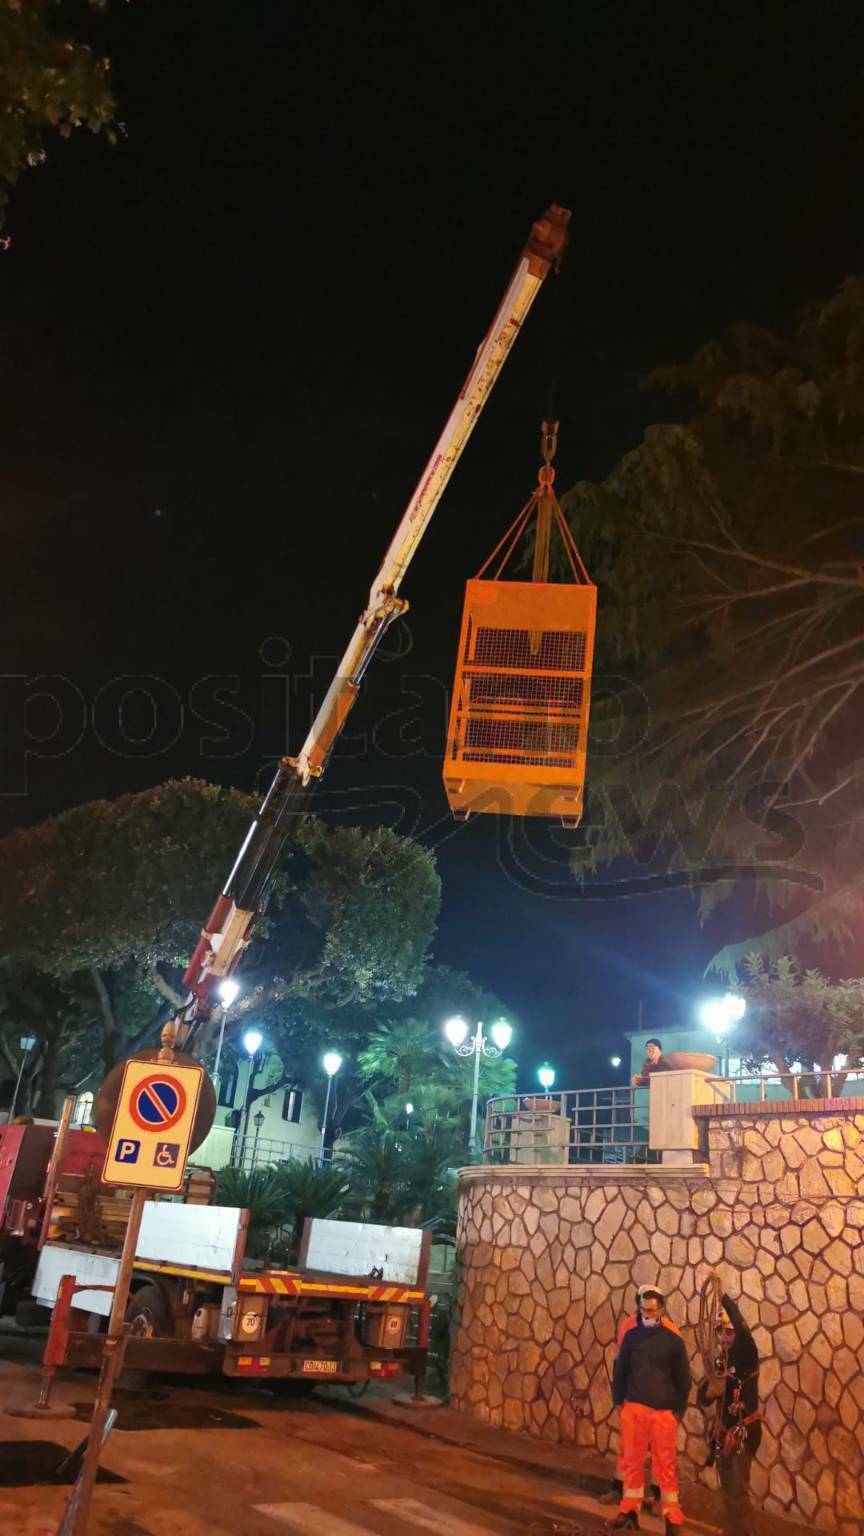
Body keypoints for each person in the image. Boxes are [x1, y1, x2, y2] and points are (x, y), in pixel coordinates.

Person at [609, 1286, 690, 1532]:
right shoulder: (632, 1336)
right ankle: (629, 1512)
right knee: (631, 1462)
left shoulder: (674, 1340)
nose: (647, 1314)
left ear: (661, 1310)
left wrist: (677, 1412)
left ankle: (672, 1520)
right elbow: (620, 1370)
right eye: (644, 1309)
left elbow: (684, 1379)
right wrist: (619, 1402)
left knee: (664, 1467)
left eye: (652, 1310)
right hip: (634, 1409)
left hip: (663, 1414)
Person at [697, 1291, 761, 1536]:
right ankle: (735, 1530)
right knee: (728, 1488)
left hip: (745, 1431)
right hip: (725, 1434)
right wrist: (710, 1393)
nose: (724, 1337)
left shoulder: (747, 1353)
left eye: (729, 1332)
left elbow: (742, 1328)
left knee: (738, 1488)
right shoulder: (720, 1361)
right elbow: (702, 1395)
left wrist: (723, 1297)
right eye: (721, 1332)